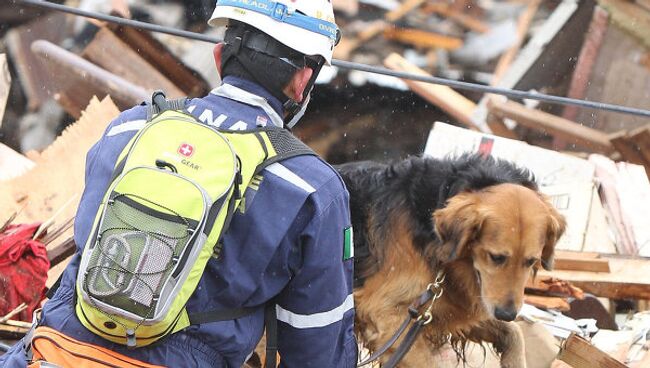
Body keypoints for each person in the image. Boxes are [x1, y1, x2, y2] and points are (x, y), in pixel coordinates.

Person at [0, 0, 357, 366]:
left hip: (52, 351)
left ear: (219, 57)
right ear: (301, 81)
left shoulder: (131, 127)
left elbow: (86, 236)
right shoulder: (313, 189)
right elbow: (319, 346)